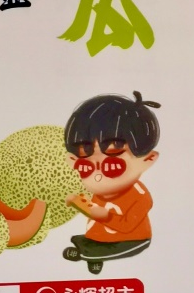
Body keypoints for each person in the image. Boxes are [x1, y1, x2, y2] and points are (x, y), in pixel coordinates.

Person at [62, 91, 160, 275]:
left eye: (112, 164)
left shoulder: (140, 196)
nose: (98, 176)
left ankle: (92, 257)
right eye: (85, 165)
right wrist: (80, 203)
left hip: (132, 240)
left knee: (97, 248)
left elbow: (126, 226)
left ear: (148, 159)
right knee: (82, 239)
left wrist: (103, 216)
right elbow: (93, 211)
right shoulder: (100, 193)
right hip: (100, 237)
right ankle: (90, 253)